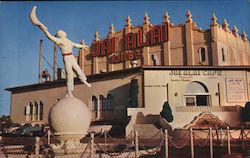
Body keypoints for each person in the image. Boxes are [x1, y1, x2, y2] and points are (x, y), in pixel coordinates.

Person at [39, 25, 91, 95]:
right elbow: (50, 37)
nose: (65, 32)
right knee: (69, 74)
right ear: (61, 34)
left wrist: (83, 46)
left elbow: (75, 45)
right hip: (66, 58)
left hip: (71, 57)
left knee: (78, 69)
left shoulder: (68, 41)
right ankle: (70, 90)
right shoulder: (59, 41)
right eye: (63, 32)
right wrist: (44, 30)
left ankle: (84, 80)